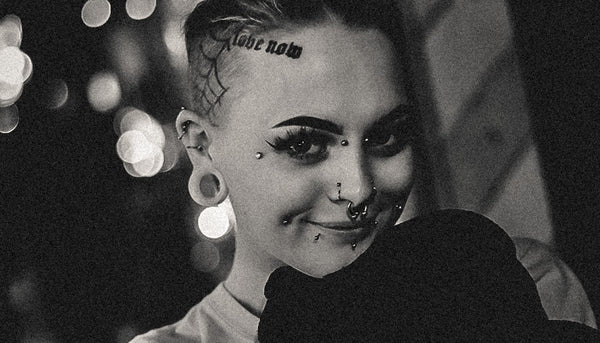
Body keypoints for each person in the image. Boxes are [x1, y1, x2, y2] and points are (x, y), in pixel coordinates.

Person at [131, 0, 599, 342]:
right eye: (303, 143)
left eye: (387, 136)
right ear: (202, 148)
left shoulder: (522, 282)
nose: (358, 189)